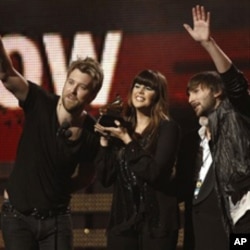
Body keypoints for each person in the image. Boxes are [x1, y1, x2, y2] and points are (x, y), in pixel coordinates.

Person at [0, 35, 104, 250]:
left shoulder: (91, 133)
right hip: (18, 217)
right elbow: (6, 73)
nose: (72, 91)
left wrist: (57, 190)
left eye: (82, 87)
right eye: (71, 82)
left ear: (92, 94)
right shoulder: (39, 101)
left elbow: (86, 174)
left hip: (57, 220)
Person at [177, 5, 250, 250]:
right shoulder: (198, 138)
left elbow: (237, 86)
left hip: (244, 221)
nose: (190, 99)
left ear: (218, 91)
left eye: (197, 91)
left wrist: (208, 44)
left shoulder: (237, 117)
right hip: (215, 226)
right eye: (188, 94)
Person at [94, 69, 181, 250]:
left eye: (148, 88)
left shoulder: (167, 128)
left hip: (157, 223)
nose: (140, 91)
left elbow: (154, 172)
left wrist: (127, 140)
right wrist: (104, 142)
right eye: (137, 86)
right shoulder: (122, 126)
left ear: (158, 95)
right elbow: (105, 179)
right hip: (123, 222)